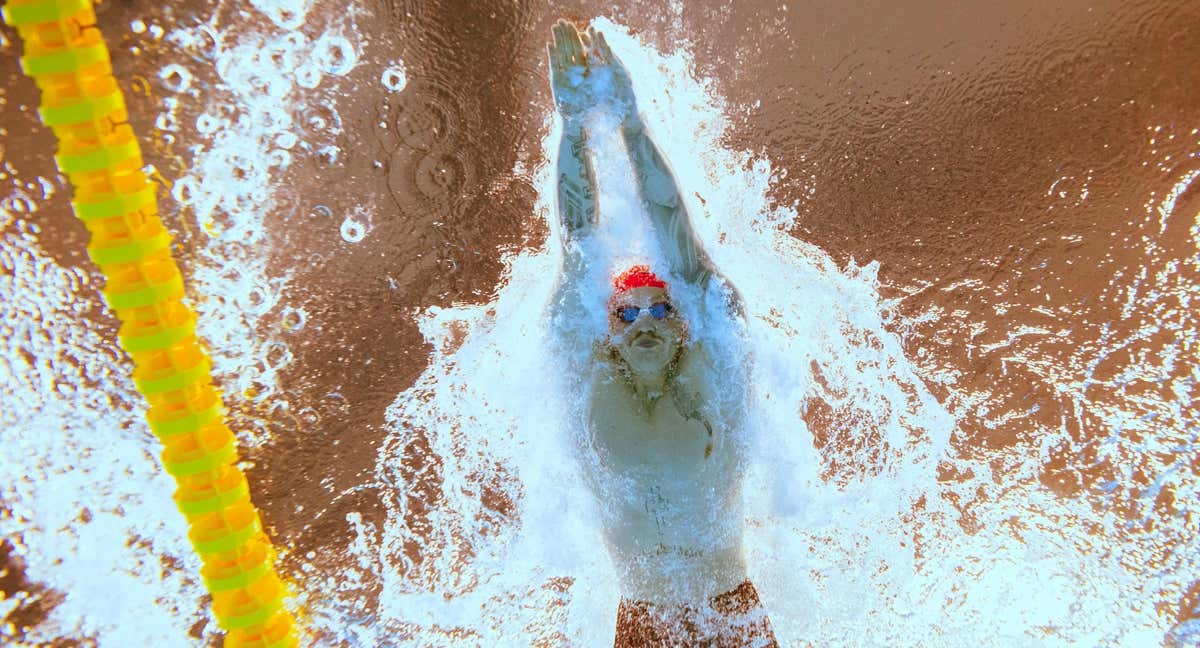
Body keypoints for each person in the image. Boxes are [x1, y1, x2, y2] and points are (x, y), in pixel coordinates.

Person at [546, 20, 778, 647]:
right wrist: (574, 128)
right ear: (608, 330)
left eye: (658, 310)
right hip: (644, 616)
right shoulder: (584, 371)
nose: (643, 321)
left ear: (683, 324)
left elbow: (688, 252)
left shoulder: (715, 365)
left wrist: (628, 122)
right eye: (627, 312)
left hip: (728, 604)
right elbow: (578, 247)